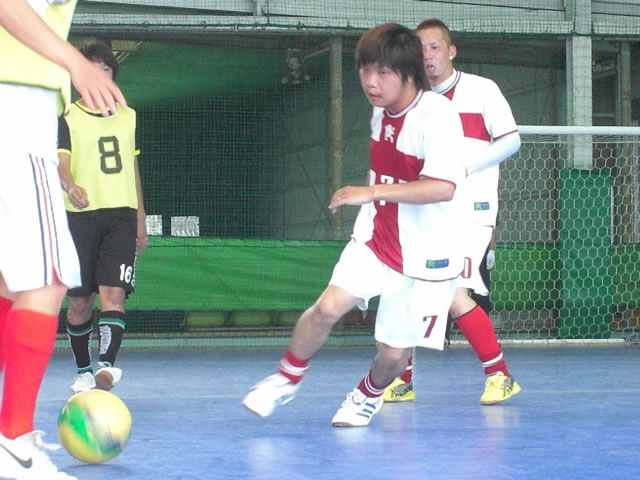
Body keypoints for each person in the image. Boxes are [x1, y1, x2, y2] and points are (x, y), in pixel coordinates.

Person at [243, 22, 465, 427]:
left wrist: (371, 192)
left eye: (383, 72)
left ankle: (368, 393)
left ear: (409, 74)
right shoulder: (381, 111)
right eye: (365, 69)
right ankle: (286, 379)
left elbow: (443, 188)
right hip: (376, 237)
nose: (370, 81)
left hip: (427, 255)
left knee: (394, 355)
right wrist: (374, 199)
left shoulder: (438, 116)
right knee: (327, 308)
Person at [0, 1, 126, 478]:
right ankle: (12, 442)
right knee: (48, 277)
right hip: (16, 107)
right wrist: (76, 63)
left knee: (8, 281)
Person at [383, 18, 522, 405]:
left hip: (471, 212)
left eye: (434, 47)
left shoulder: (482, 90)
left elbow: (511, 141)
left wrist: (462, 167)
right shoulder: (412, 101)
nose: (427, 55)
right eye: (420, 49)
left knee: (452, 291)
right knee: (406, 289)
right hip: (428, 212)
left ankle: (499, 375)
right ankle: (402, 380)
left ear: (451, 51)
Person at [58, 42, 147, 393]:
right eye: (91, 68)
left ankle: (106, 369)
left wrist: (140, 217)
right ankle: (83, 370)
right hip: (80, 218)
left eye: (105, 69)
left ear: (113, 76)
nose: (98, 75)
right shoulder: (67, 117)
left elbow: (133, 167)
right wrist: (70, 185)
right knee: (80, 301)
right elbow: (61, 163)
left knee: (114, 294)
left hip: (121, 215)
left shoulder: (129, 116)